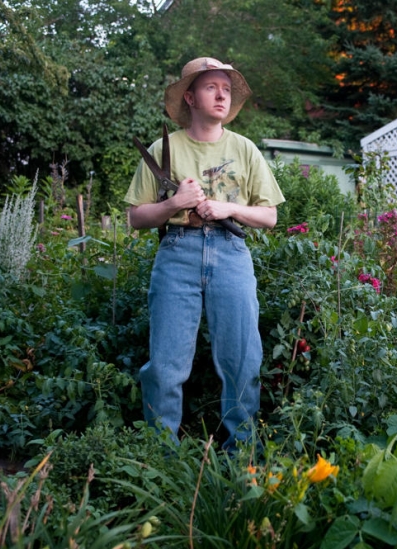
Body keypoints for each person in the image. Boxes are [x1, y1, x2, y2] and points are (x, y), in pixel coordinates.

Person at [124, 57, 285, 451]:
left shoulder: (244, 149)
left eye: (226, 89)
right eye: (212, 87)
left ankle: (241, 456)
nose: (221, 95)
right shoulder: (165, 148)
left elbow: (269, 215)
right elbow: (135, 217)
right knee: (164, 366)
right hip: (177, 252)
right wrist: (173, 204)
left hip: (231, 253)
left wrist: (230, 208)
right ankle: (162, 457)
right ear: (190, 97)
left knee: (242, 362)